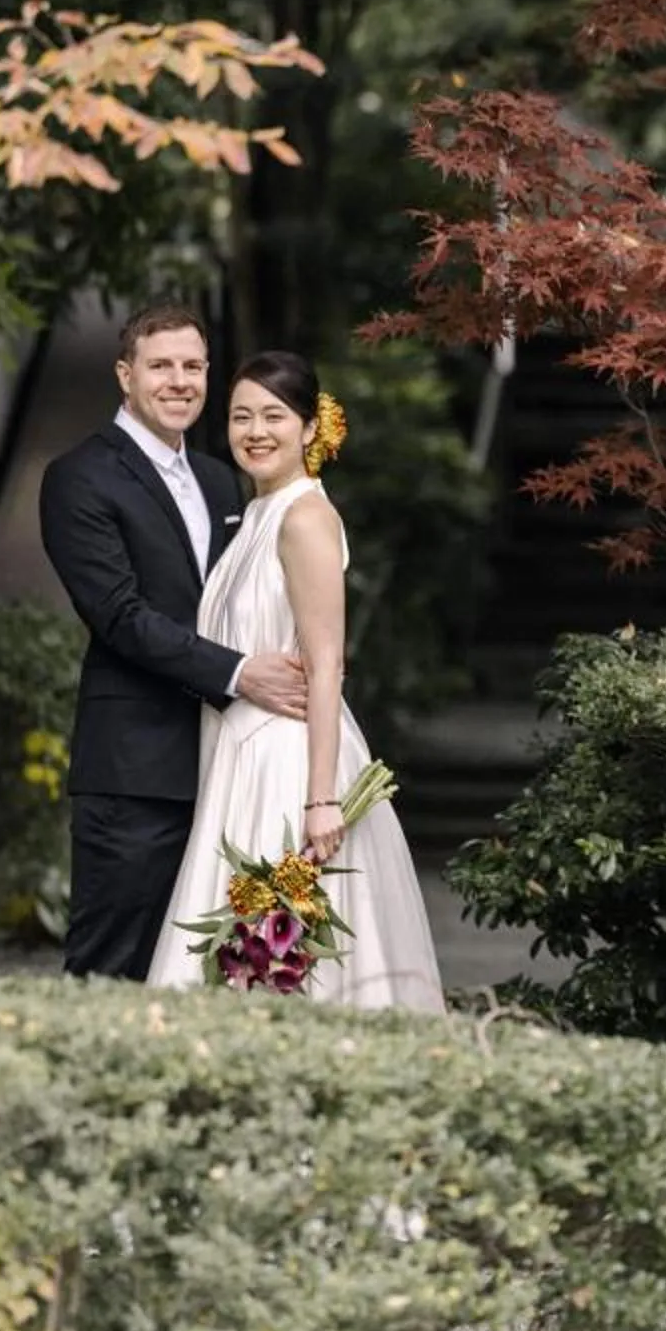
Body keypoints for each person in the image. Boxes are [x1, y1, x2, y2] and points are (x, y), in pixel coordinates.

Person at [146, 350, 444, 1010]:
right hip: (237, 755)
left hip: (286, 766)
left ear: (311, 428)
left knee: (285, 961)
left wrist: (320, 800)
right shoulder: (256, 514)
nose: (256, 431)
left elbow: (327, 661)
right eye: (241, 416)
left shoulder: (305, 517)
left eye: (274, 416)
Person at [39, 303, 309, 979]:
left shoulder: (223, 478)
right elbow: (121, 616)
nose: (179, 381)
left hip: (229, 767)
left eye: (193, 366)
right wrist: (242, 673)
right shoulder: (79, 477)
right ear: (125, 374)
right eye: (161, 365)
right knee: (111, 967)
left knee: (210, 969)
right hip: (135, 772)